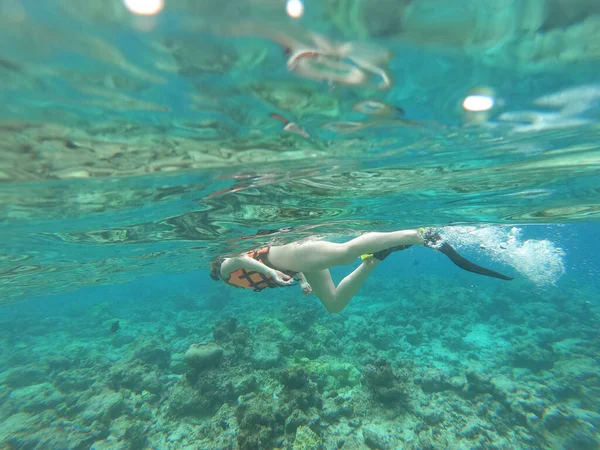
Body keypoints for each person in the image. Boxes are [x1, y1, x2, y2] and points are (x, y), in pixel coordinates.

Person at [209, 228, 513, 314]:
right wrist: (301, 281)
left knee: (343, 255)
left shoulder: (224, 270)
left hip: (283, 254)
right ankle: (376, 257)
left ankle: (419, 235)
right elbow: (275, 270)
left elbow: (239, 259)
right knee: (334, 305)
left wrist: (274, 275)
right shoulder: (235, 282)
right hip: (292, 263)